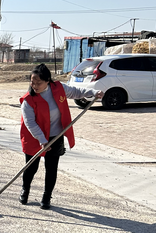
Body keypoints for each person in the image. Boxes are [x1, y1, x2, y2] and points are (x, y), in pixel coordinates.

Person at [20, 63, 102, 210]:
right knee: (31, 167)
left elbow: (76, 92)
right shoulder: (28, 100)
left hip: (55, 135)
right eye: (32, 81)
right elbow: (30, 123)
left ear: (48, 81)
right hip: (35, 137)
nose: (34, 85)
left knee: (51, 168)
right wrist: (42, 140)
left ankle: (46, 197)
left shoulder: (59, 89)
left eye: (39, 82)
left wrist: (93, 92)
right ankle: (25, 189)